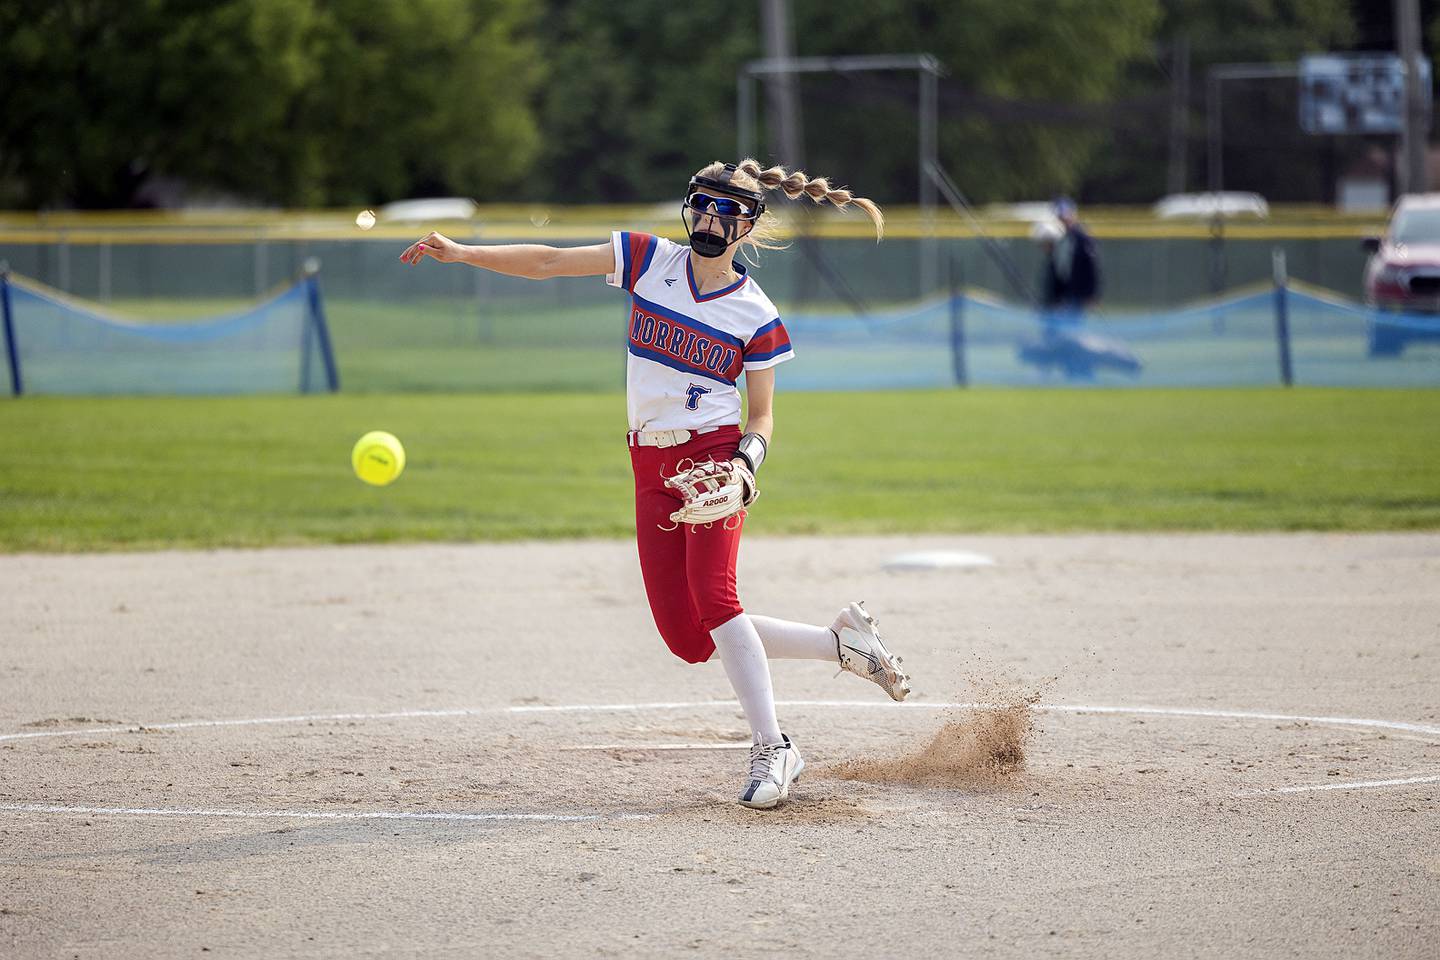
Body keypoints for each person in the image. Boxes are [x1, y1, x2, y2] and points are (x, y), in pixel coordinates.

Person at [399, 159, 910, 810]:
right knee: (689, 639)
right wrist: (462, 251)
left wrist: (744, 467)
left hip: (712, 459)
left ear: (748, 225)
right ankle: (841, 643)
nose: (707, 221)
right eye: (700, 206)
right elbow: (549, 263)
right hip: (650, 464)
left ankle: (774, 748)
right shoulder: (649, 261)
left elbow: (761, 415)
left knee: (714, 594)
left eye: (724, 212)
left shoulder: (755, 314)